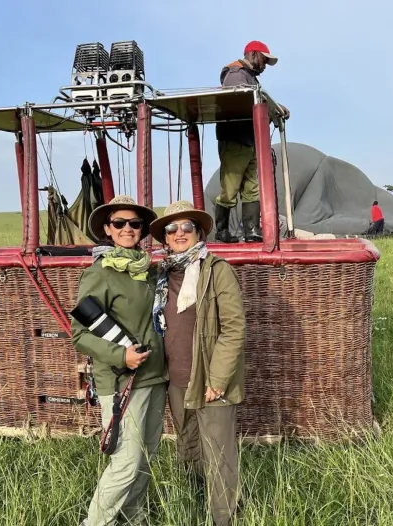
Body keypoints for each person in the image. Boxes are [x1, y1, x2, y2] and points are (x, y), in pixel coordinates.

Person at [71, 194, 168, 526]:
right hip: (122, 380)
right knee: (126, 462)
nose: (128, 229)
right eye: (119, 223)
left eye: (135, 224)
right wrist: (120, 356)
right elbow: (79, 334)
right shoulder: (101, 273)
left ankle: (132, 517)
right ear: (108, 230)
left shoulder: (149, 270)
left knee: (146, 458)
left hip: (155, 377)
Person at [149, 200, 247, 526]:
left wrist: (218, 379)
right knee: (189, 447)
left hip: (209, 379)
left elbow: (234, 328)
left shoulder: (217, 271)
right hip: (176, 379)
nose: (179, 233)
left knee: (220, 456)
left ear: (199, 231)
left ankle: (225, 518)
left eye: (186, 226)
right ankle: (192, 506)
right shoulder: (161, 275)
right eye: (171, 228)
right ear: (164, 237)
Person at [214, 40, 289, 244]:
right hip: (235, 139)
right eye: (264, 60)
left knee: (252, 188)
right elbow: (238, 100)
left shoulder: (250, 78)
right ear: (254, 54)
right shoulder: (236, 73)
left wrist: (275, 109)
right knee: (230, 189)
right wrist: (271, 105)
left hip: (250, 140)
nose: (264, 65)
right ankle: (222, 231)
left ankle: (252, 231)